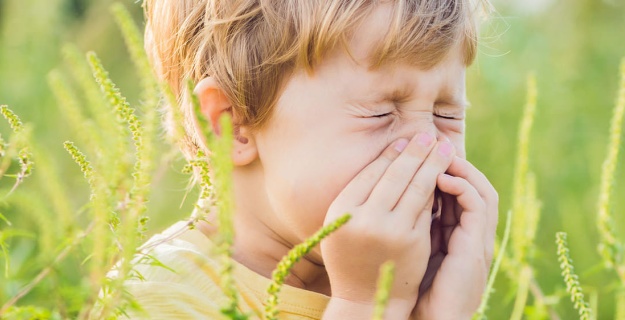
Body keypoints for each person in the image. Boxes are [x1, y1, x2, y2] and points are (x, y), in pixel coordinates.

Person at [125, 0, 499, 318]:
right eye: (380, 112)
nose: (429, 147)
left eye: (446, 113)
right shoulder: (158, 298)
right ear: (231, 124)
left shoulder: (425, 286)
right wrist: (369, 305)